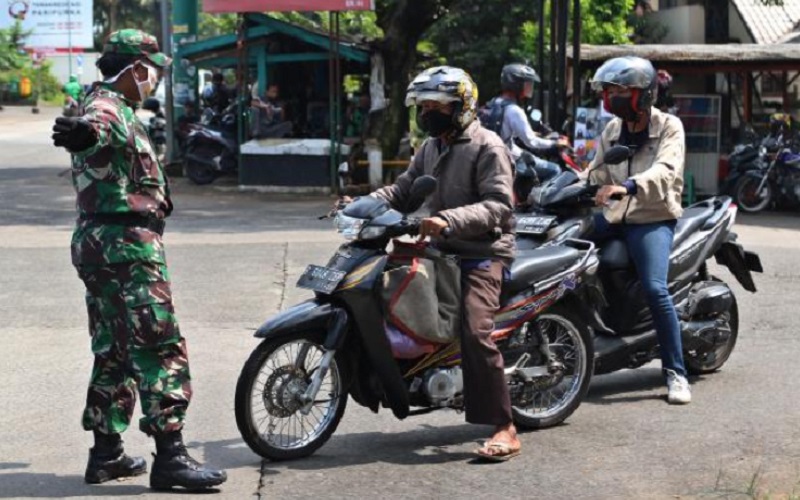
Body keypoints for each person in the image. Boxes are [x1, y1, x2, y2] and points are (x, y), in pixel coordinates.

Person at [50, 29, 228, 490]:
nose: (155, 78)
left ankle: (106, 453)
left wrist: (85, 131)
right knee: (158, 344)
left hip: (99, 242)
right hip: (127, 246)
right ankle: (171, 457)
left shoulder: (114, 105)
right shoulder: (108, 107)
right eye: (152, 70)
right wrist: (84, 133)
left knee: (114, 346)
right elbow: (96, 129)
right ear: (134, 68)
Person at [371, 66, 521, 461]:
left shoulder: (488, 146)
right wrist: (363, 204)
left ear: (462, 107)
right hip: (442, 249)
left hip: (482, 252)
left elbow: (499, 206)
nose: (428, 113)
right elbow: (403, 189)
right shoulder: (431, 147)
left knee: (475, 330)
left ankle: (505, 426)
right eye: (423, 106)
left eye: (437, 105)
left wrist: (449, 220)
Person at [585, 56, 691, 405]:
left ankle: (676, 373)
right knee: (566, 250)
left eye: (620, 90)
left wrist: (628, 186)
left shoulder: (670, 127)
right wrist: (557, 187)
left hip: (651, 217)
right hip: (615, 216)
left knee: (655, 288)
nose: (612, 96)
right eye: (609, 90)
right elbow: (596, 173)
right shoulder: (613, 130)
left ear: (642, 94)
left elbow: (666, 171)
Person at [487, 64, 569, 188]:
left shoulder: (495, 102)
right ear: (517, 84)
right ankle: (539, 202)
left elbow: (502, 130)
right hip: (507, 158)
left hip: (493, 155)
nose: (530, 86)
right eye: (528, 83)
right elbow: (531, 142)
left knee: (528, 156)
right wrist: (555, 143)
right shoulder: (514, 110)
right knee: (555, 170)